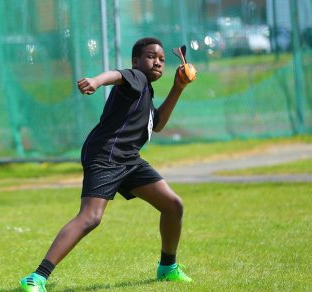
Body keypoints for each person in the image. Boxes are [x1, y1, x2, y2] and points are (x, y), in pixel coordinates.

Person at [19, 37, 194, 291]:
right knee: (90, 217)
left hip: (129, 159)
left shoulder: (145, 90)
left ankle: (168, 268)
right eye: (150, 56)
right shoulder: (137, 77)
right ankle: (36, 277)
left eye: (162, 59)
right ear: (136, 61)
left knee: (173, 205)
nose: (157, 61)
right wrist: (96, 81)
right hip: (107, 156)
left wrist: (178, 87)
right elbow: (118, 75)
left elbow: (157, 124)